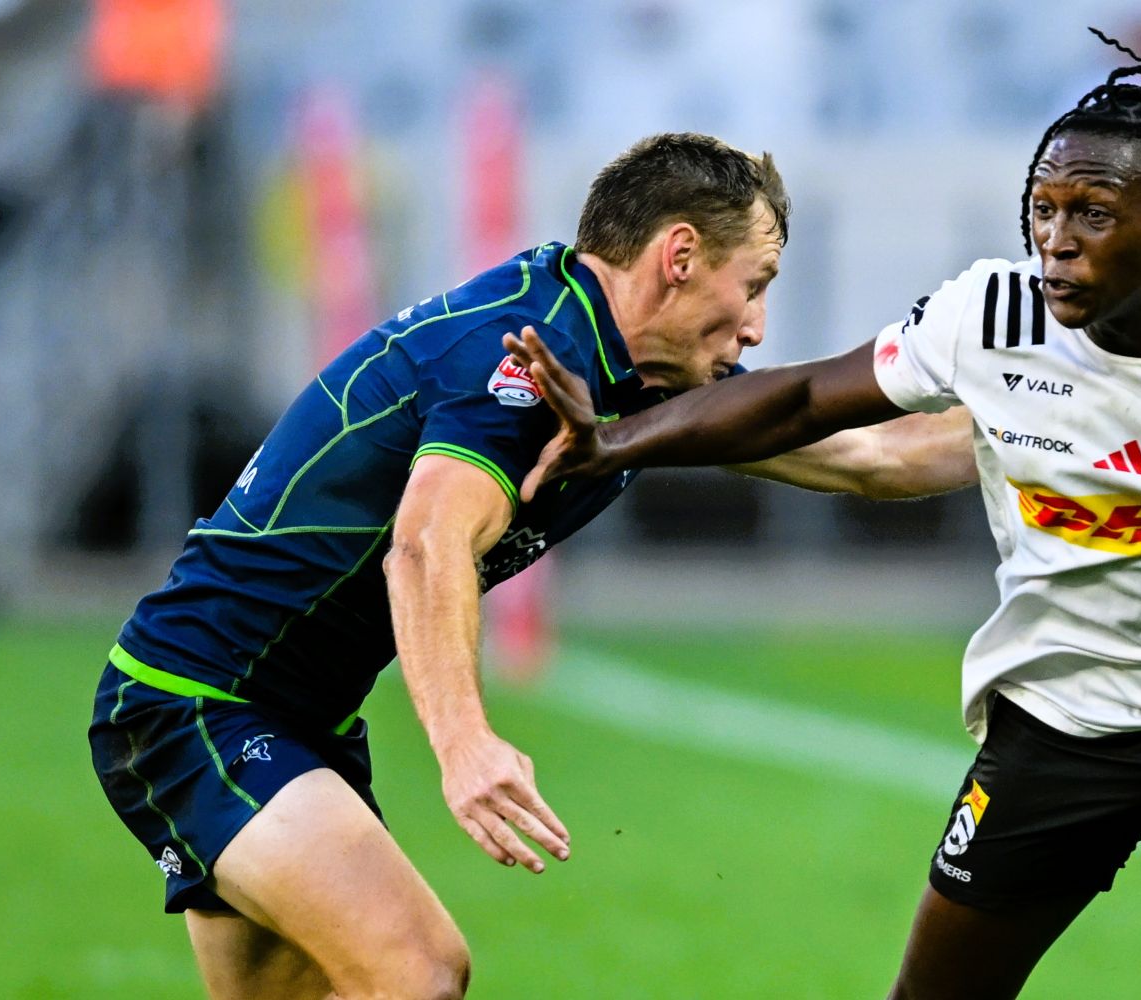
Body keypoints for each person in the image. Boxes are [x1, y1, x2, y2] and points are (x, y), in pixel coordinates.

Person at [506, 19, 1141, 1000]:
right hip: (1061, 716)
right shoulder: (992, 314)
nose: (1056, 244)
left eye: (1093, 214)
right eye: (1042, 210)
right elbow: (806, 397)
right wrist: (617, 439)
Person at [87, 132, 975, 1000]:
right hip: (194, 701)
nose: (757, 324)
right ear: (679, 256)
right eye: (754, 284)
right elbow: (424, 545)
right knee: (418, 972)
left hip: (297, 719)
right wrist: (465, 744)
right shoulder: (521, 357)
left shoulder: (638, 378)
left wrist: (1045, 414)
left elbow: (878, 455)